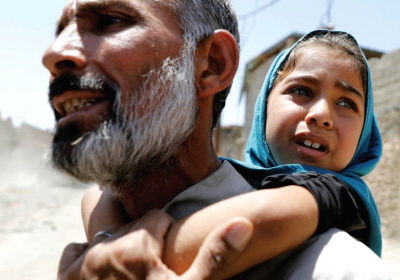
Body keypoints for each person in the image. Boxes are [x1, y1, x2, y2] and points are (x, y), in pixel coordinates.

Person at [41, 0, 389, 278]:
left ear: (212, 65)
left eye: (112, 20)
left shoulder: (335, 249)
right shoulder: (251, 181)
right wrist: (107, 239)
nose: (53, 54)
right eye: (300, 91)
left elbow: (264, 217)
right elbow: (97, 195)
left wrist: (127, 247)